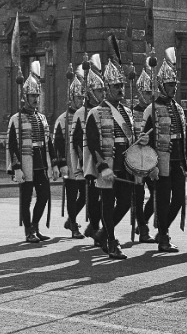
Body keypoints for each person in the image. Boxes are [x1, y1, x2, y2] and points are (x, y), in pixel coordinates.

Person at [142, 47, 187, 253]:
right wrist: (152, 164)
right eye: (170, 84)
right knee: (163, 201)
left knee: (179, 199)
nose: (173, 88)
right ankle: (163, 236)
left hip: (177, 161)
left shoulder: (179, 108)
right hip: (161, 162)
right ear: (161, 85)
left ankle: (162, 229)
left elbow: (186, 134)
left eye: (174, 84)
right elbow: (145, 140)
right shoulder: (151, 109)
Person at [86, 55, 136, 259]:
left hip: (124, 166)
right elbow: (93, 143)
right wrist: (102, 167)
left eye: (122, 86)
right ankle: (111, 241)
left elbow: (129, 138)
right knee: (107, 204)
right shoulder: (95, 113)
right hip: (106, 165)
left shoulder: (126, 112)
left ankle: (104, 233)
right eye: (116, 86)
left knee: (125, 202)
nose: (120, 90)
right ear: (107, 88)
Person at [6, 69, 59, 243]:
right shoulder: (16, 118)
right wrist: (16, 168)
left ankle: (35, 226)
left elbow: (48, 142)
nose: (36, 99)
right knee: (26, 199)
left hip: (41, 163)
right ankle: (29, 230)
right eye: (32, 96)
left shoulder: (42, 118)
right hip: (26, 164)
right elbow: (12, 145)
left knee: (44, 196)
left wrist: (55, 163)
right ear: (25, 97)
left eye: (37, 95)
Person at [72, 55, 106, 246]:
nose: (102, 94)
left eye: (103, 90)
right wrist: (81, 163)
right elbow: (77, 140)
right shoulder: (81, 113)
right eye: (98, 90)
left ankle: (95, 226)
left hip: (103, 156)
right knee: (93, 197)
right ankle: (94, 226)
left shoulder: (104, 109)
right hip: (89, 160)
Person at [53, 65, 87, 239]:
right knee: (72, 195)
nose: (81, 101)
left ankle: (70, 219)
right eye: (78, 97)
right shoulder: (62, 119)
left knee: (86, 195)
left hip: (83, 163)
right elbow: (57, 143)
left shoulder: (86, 115)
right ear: (71, 98)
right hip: (69, 163)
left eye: (83, 97)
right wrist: (61, 164)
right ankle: (73, 225)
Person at [131, 57, 158, 244]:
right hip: (135, 160)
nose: (150, 96)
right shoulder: (130, 112)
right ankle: (142, 228)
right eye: (147, 92)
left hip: (149, 158)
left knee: (156, 193)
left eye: (151, 92)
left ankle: (144, 220)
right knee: (138, 196)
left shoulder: (153, 111)